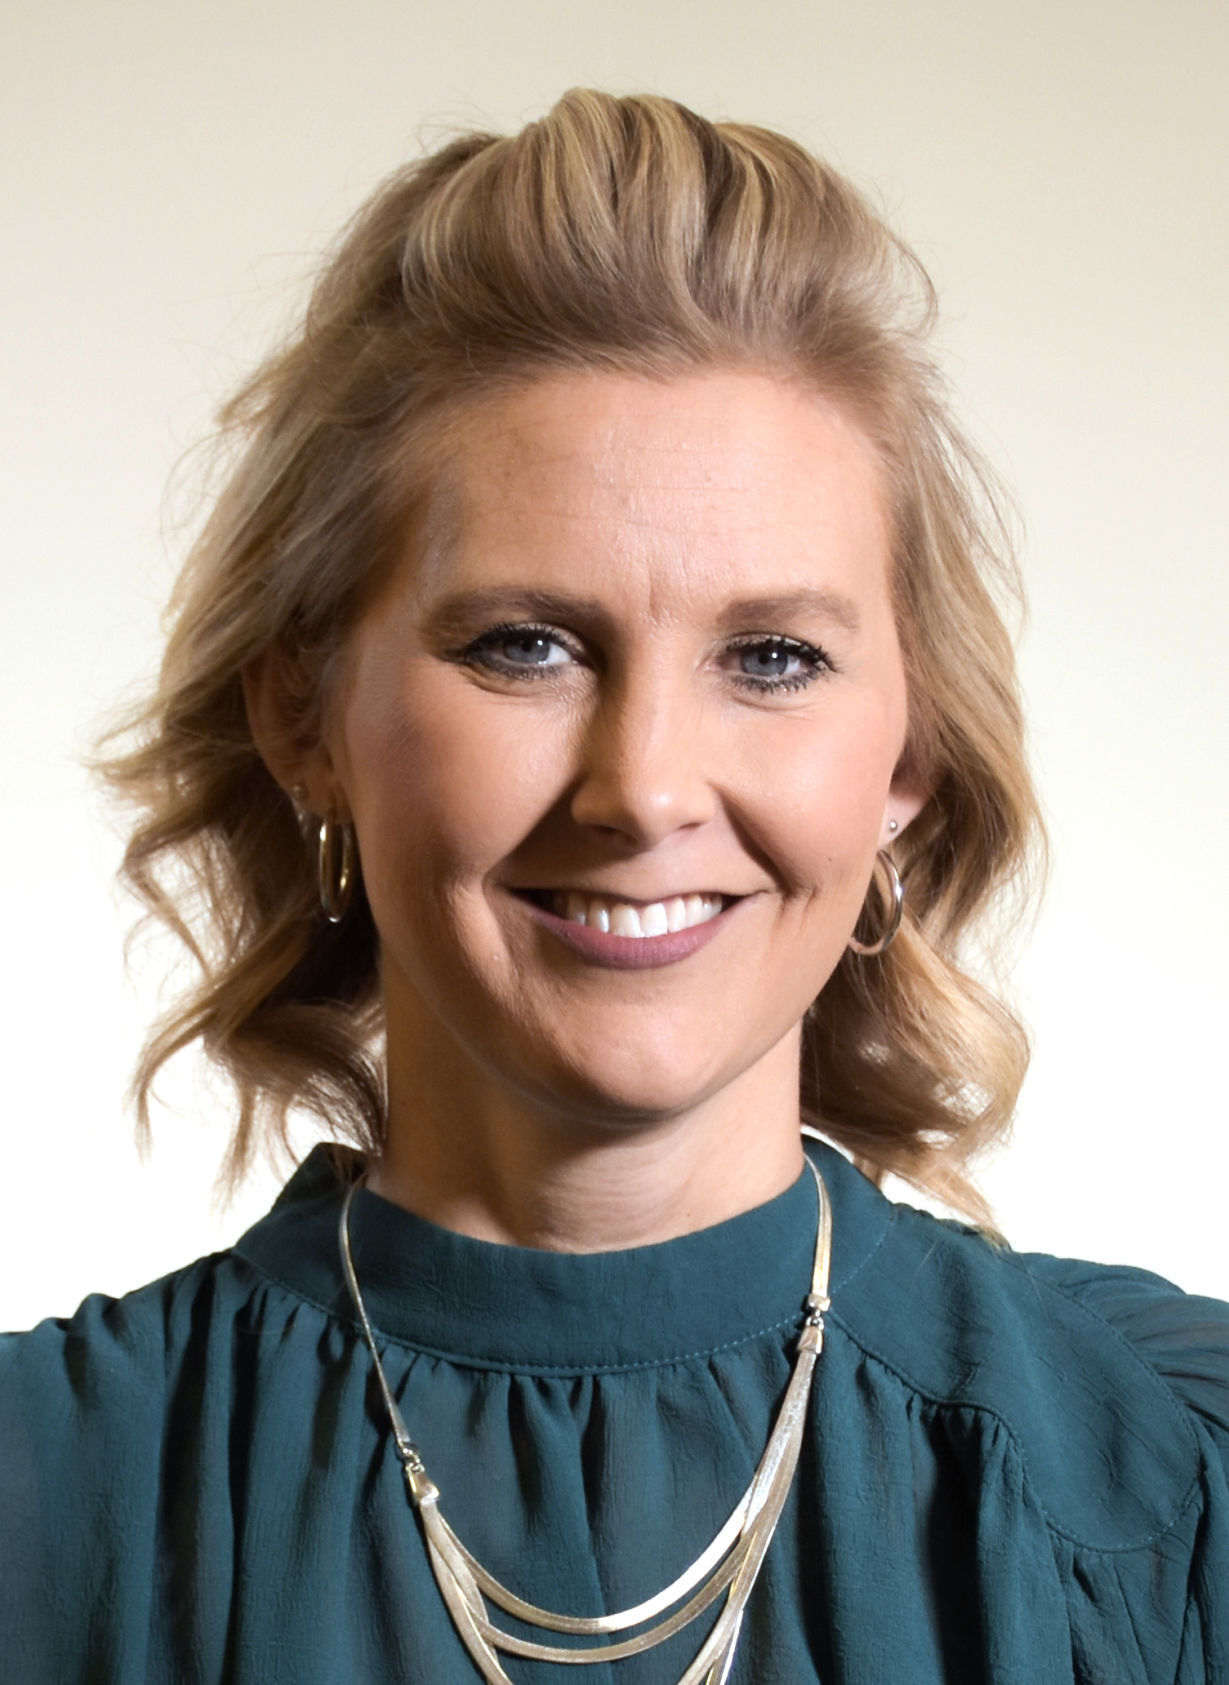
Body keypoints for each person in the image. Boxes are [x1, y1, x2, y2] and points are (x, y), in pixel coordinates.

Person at [1, 88, 1226, 1685]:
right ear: (303, 717)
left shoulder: (1171, 1483)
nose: (643, 788)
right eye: (526, 645)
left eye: (770, 657)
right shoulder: (40, 1498)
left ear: (907, 756)